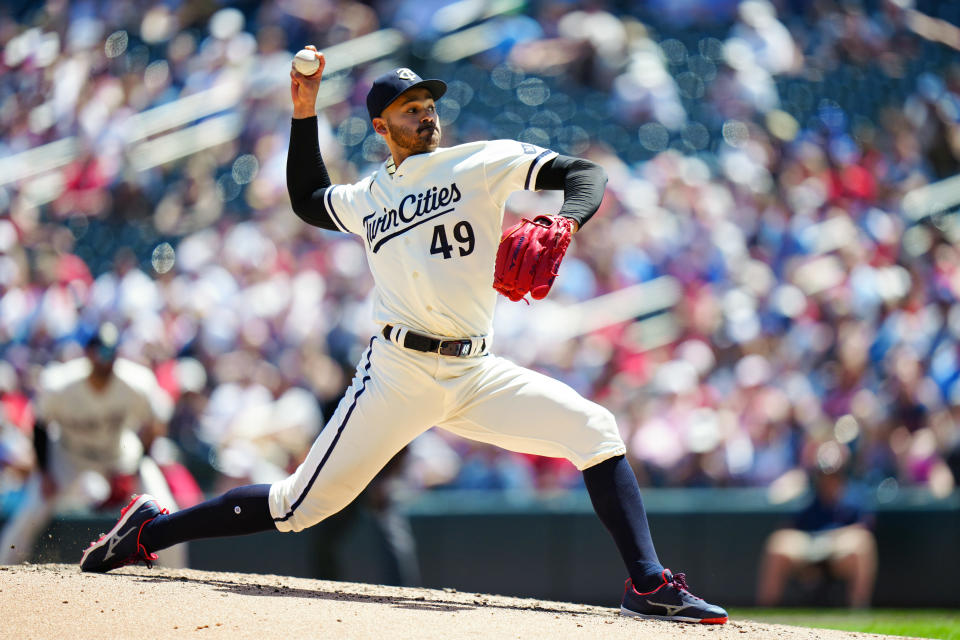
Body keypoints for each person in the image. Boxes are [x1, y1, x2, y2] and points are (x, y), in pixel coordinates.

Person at [78, 49, 727, 624]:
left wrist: (567, 220)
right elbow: (308, 198)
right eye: (409, 108)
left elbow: (586, 174)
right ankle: (150, 532)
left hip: (475, 372)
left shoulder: (483, 161)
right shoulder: (368, 196)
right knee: (298, 505)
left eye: (428, 104)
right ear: (381, 126)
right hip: (396, 372)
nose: (426, 114)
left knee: (595, 430)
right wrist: (303, 113)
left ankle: (647, 584)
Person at [1, 325, 184, 567]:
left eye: (109, 354)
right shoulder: (60, 382)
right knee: (30, 511)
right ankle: (4, 569)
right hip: (68, 455)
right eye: (99, 353)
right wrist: (45, 473)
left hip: (118, 453)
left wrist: (138, 463)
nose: (104, 360)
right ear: (87, 354)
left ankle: (177, 577)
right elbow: (40, 425)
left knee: (166, 508)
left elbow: (157, 422)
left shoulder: (136, 381)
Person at [755, 449, 877, 608]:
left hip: (839, 550)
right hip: (808, 547)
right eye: (823, 476)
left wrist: (830, 539)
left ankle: (858, 608)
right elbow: (790, 527)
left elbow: (864, 527)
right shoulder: (808, 498)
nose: (828, 480)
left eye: (833, 475)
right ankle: (766, 610)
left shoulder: (854, 497)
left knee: (862, 543)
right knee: (777, 542)